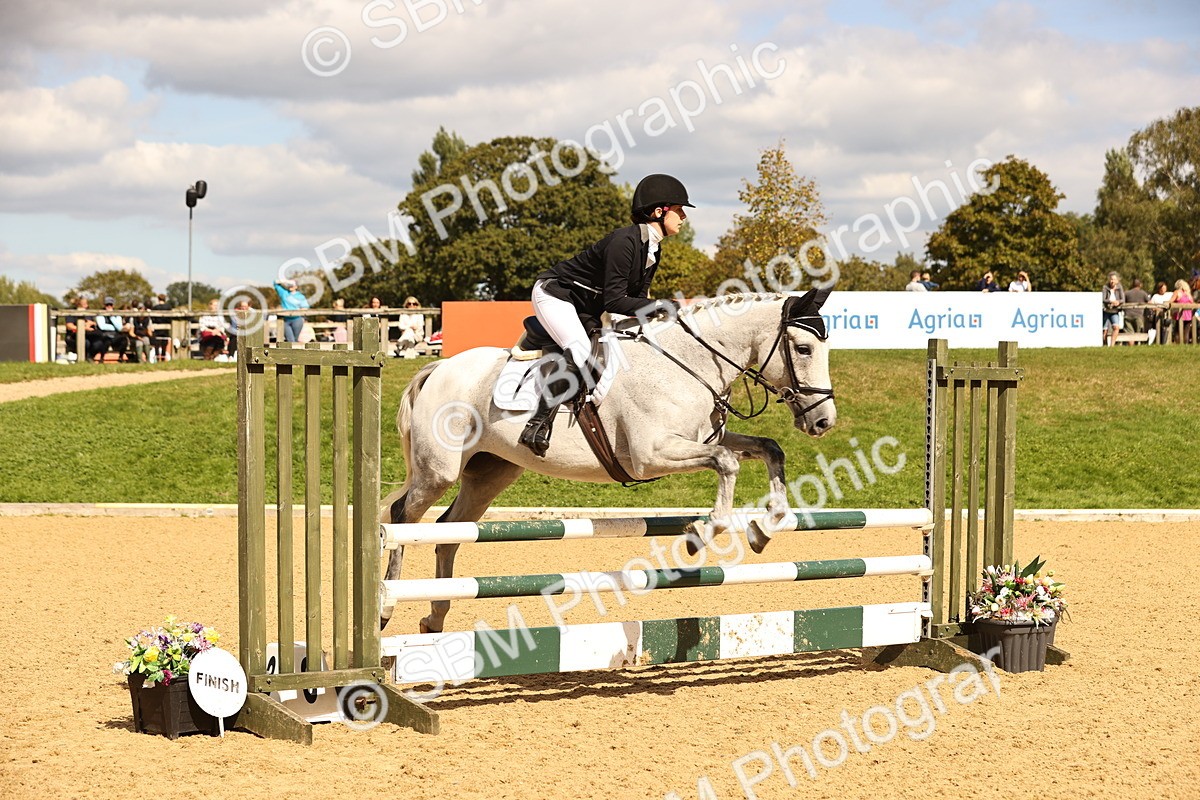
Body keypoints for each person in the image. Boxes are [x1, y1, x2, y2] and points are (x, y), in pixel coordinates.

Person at [519, 173, 693, 456]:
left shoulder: (653, 249)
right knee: (578, 349)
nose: (684, 217)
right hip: (556, 294)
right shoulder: (624, 241)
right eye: (679, 209)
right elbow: (616, 300)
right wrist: (658, 305)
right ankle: (537, 424)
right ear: (659, 211)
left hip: (587, 305)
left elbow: (638, 300)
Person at [64, 297, 106, 362]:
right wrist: (83, 327)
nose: (87, 305)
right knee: (86, 343)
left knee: (99, 343)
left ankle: (90, 357)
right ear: (79, 305)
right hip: (75, 336)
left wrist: (91, 323)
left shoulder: (88, 312)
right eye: (84, 304)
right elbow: (69, 326)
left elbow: (93, 322)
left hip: (89, 334)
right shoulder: (72, 313)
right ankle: (83, 359)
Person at [95, 297, 127, 361]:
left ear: (113, 305)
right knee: (105, 341)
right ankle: (102, 358)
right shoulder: (100, 313)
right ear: (104, 305)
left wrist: (111, 316)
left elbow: (119, 328)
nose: (109, 306)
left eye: (110, 305)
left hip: (115, 335)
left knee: (124, 340)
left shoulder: (117, 314)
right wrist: (114, 327)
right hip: (105, 334)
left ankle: (121, 357)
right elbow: (102, 326)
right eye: (107, 305)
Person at [1101, 272, 1125, 347]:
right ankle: (1104, 344)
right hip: (1106, 310)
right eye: (1111, 279)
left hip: (1115, 311)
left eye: (1114, 279)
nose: (1112, 281)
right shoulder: (1105, 287)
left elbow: (1123, 299)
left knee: (1116, 327)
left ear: (1117, 281)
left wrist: (1118, 302)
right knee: (1104, 330)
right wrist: (1111, 301)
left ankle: (1112, 345)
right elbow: (1103, 299)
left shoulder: (1119, 287)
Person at [1169, 279, 1194, 344]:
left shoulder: (1177, 292)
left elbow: (1171, 301)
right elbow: (1192, 302)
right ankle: (1185, 346)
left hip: (1180, 314)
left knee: (1177, 331)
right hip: (1188, 314)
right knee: (1186, 331)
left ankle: (1178, 345)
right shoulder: (1188, 294)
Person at [150, 293, 174, 360]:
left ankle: (157, 358)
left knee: (157, 344)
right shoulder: (168, 307)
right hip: (166, 328)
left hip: (157, 329)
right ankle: (163, 357)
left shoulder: (155, 308)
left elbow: (152, 318)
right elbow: (170, 318)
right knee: (164, 344)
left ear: (158, 299)